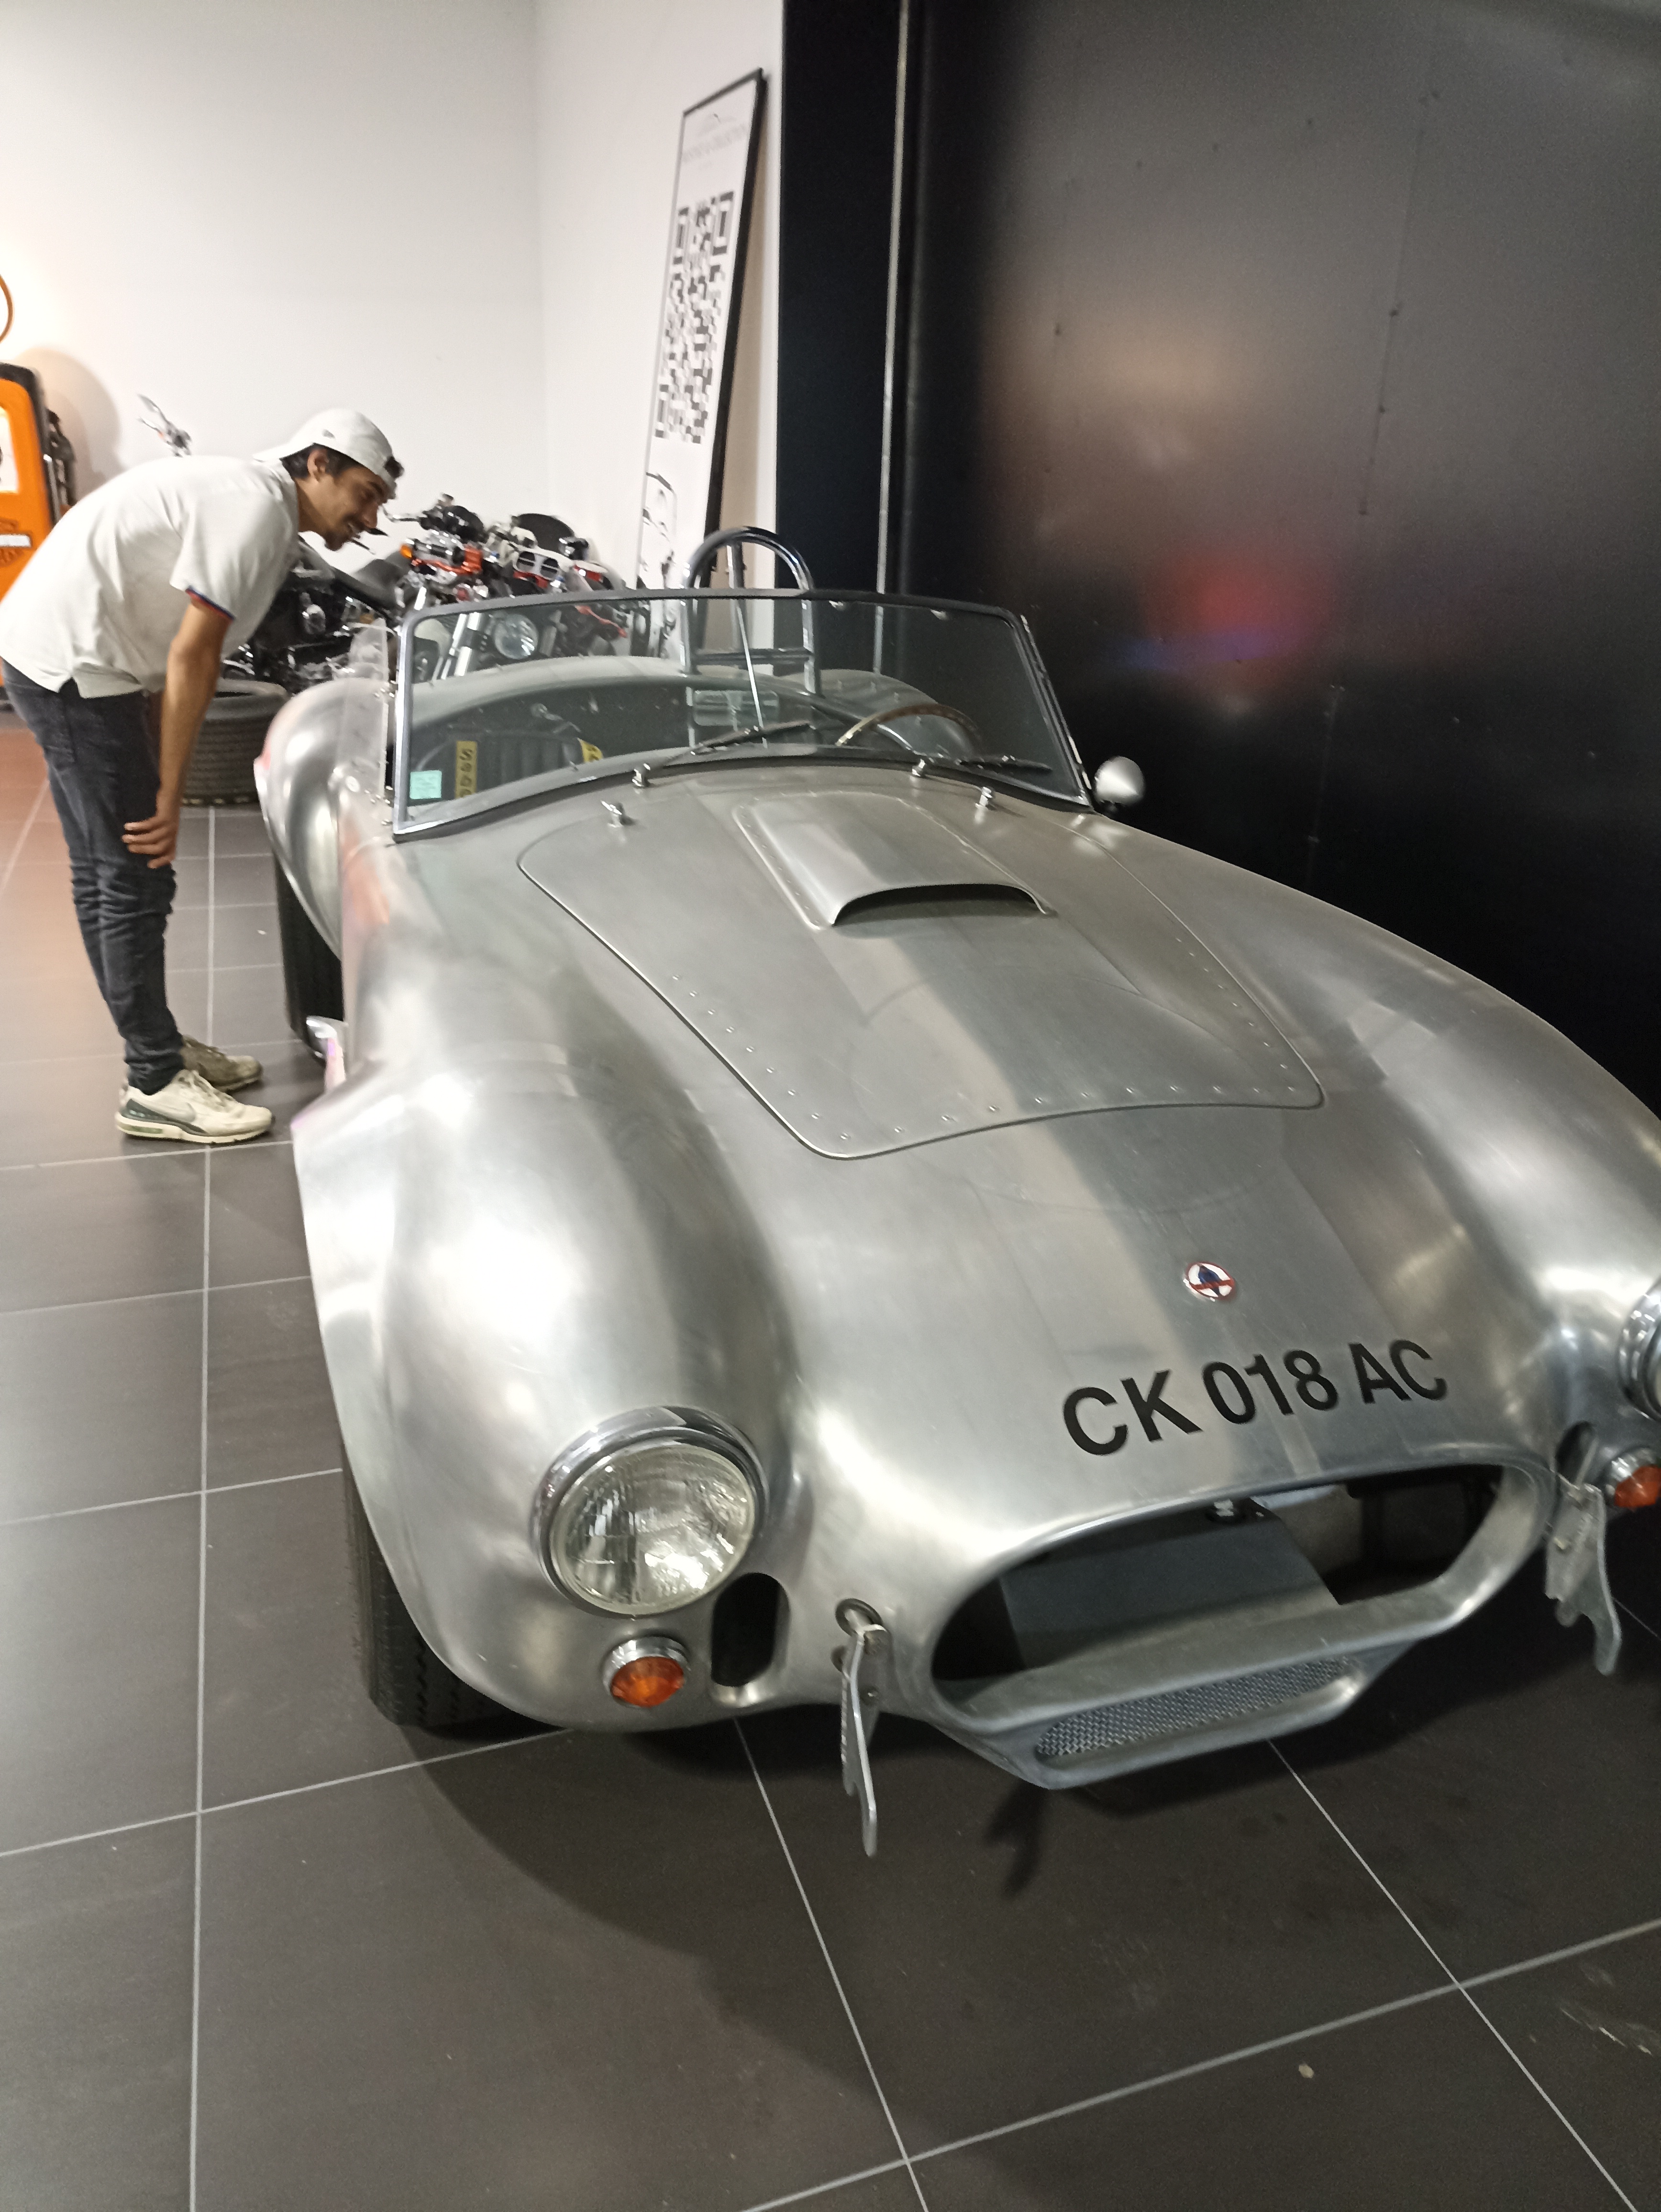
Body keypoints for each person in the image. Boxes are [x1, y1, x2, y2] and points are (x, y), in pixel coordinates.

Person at [0, 409, 400, 1143]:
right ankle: (153, 1082)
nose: (371, 518)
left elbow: (169, 647)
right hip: (74, 666)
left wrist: (158, 765)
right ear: (318, 464)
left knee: (107, 869)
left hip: (67, 654)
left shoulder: (259, 502)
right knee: (133, 874)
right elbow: (193, 656)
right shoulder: (255, 510)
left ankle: (154, 1041)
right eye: (366, 494)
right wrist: (170, 791)